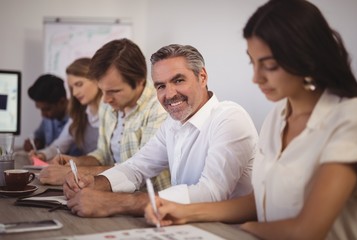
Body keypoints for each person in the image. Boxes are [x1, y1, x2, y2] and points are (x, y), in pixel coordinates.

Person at [144, 1, 357, 239]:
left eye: (269, 65)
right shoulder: (277, 117)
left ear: (306, 57)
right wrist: (185, 213)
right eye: (253, 63)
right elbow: (261, 201)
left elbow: (307, 230)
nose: (256, 78)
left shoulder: (349, 119)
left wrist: (248, 229)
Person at [63, 43, 258, 217]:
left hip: (232, 233)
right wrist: (95, 183)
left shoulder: (229, 117)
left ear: (203, 77)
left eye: (179, 80)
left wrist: (117, 203)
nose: (169, 94)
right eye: (161, 86)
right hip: (186, 227)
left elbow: (210, 193)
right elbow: (137, 167)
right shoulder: (173, 123)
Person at [49, 39, 170, 189]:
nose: (105, 100)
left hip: (148, 203)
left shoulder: (159, 109)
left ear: (139, 81)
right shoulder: (108, 102)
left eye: (114, 91)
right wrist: (75, 162)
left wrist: (78, 172)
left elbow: (142, 172)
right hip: (113, 194)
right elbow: (103, 154)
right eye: (102, 90)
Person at [33, 58, 102, 185]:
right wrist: (42, 154)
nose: (74, 93)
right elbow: (61, 144)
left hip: (100, 177)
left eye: (79, 84)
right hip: (89, 178)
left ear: (97, 80)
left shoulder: (111, 112)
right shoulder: (80, 113)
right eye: (71, 87)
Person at [24, 74, 69, 152]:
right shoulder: (48, 119)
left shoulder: (77, 119)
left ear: (62, 102)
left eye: (47, 109)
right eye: (40, 109)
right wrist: (34, 142)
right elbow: (38, 137)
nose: (43, 114)